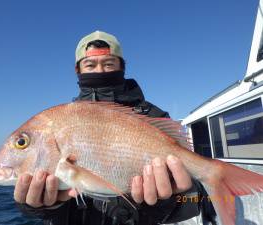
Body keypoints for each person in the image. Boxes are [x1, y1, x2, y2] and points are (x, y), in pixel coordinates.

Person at [14, 31, 210, 225]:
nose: (99, 71)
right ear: (78, 70)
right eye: (90, 64)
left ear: (122, 67)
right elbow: (60, 205)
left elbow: (193, 199)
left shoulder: (152, 117)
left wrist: (165, 200)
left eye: (108, 64)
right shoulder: (65, 117)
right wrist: (42, 205)